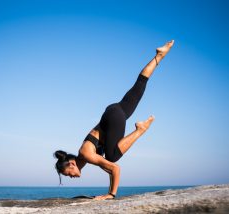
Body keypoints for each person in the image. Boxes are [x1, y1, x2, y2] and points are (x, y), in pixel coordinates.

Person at [53, 40, 175, 200]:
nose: (71, 177)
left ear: (71, 164)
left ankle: (140, 130)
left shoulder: (86, 154)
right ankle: (159, 55)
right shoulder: (82, 158)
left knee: (112, 157)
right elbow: (107, 169)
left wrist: (110, 194)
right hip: (113, 112)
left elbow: (115, 168)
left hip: (113, 118)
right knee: (139, 85)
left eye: (68, 174)